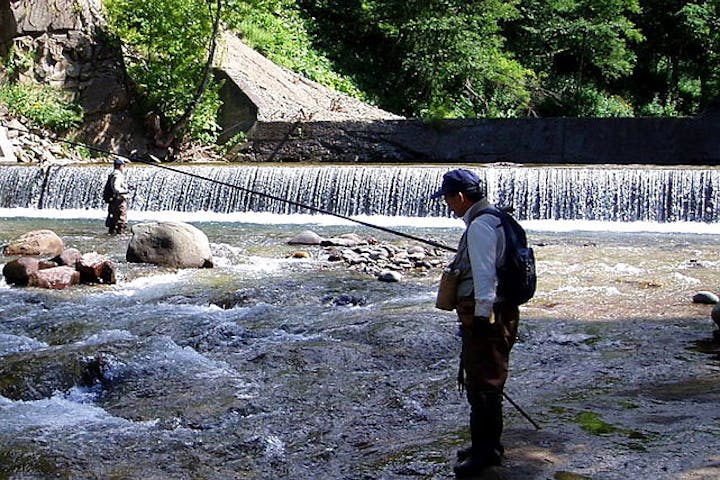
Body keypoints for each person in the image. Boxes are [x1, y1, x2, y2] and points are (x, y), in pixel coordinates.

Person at [431, 168, 520, 478]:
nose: (447, 204)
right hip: (500, 312)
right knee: (487, 382)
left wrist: (481, 319)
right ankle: (486, 445)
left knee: (483, 387)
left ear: (460, 196)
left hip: (488, 316)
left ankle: (486, 453)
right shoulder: (496, 218)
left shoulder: (480, 227)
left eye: (447, 199)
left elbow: (485, 277)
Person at [105, 157, 130, 234]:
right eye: (123, 165)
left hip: (113, 200)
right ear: (120, 166)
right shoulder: (117, 175)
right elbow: (116, 188)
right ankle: (120, 236)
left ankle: (111, 235)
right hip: (119, 200)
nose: (124, 167)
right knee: (121, 220)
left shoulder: (113, 174)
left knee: (113, 219)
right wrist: (125, 191)